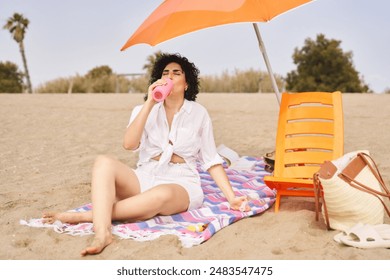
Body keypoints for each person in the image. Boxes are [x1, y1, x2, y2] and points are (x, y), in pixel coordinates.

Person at [43, 53, 250, 256]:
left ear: (187, 83)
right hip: (145, 174)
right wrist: (150, 102)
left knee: (161, 194)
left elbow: (211, 160)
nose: (169, 77)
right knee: (103, 162)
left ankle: (89, 216)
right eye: (165, 73)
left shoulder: (198, 113)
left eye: (176, 73)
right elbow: (129, 144)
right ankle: (102, 231)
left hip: (181, 182)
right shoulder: (144, 109)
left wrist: (231, 198)